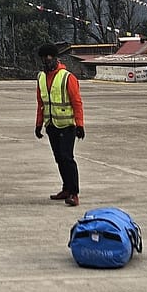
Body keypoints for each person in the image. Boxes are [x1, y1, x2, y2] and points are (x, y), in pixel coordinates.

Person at [35, 42, 85, 207]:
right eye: (44, 58)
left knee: (67, 158)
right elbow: (41, 103)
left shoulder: (67, 77)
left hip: (67, 125)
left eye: (49, 57)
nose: (46, 61)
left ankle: (74, 193)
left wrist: (80, 125)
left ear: (55, 58)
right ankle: (66, 188)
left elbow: (77, 102)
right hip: (51, 125)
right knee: (59, 159)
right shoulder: (41, 77)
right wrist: (38, 124)